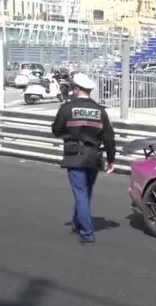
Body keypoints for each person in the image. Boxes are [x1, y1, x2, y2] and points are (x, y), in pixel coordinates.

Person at [51, 73, 116, 244]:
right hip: (94, 157)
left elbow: (56, 130)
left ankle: (87, 233)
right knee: (85, 193)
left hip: (75, 156)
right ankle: (77, 222)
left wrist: (68, 133)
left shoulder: (67, 108)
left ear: (77, 89)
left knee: (81, 194)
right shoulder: (100, 111)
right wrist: (112, 160)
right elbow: (109, 138)